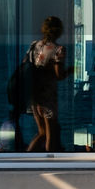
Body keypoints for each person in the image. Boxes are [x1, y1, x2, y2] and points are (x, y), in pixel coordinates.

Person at [25, 16, 67, 153]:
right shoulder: (58, 50)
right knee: (50, 136)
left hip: (33, 94)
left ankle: (25, 159)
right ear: (59, 30)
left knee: (42, 132)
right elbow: (59, 75)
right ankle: (50, 163)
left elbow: (26, 65)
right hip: (47, 97)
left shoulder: (34, 45)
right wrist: (71, 71)